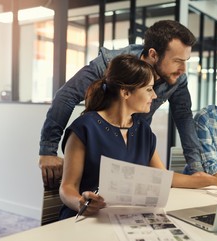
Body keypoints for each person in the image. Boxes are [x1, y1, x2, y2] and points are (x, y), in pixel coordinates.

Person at [39, 20, 204, 188]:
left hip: (136, 148)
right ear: (153, 54)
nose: (183, 69)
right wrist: (48, 150)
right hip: (103, 147)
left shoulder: (177, 79)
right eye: (177, 60)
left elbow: (184, 118)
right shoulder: (111, 63)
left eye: (186, 60)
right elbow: (66, 96)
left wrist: (195, 167)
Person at [59, 54, 217, 219]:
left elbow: (165, 178)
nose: (155, 96)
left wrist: (214, 181)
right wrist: (81, 202)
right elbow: (67, 188)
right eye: (149, 89)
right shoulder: (84, 127)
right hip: (85, 220)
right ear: (126, 92)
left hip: (124, 220)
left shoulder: (143, 130)